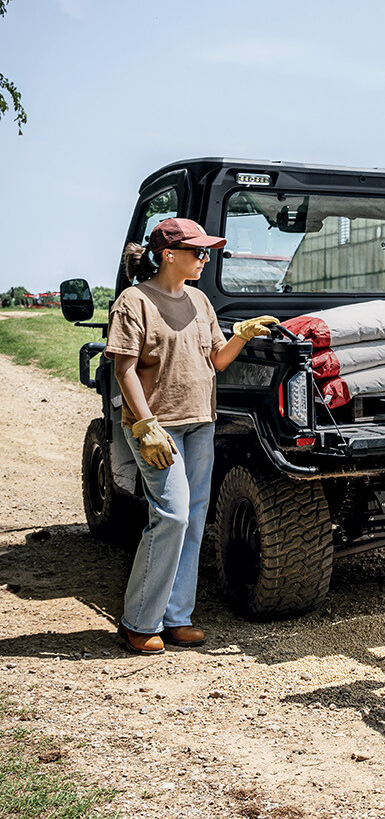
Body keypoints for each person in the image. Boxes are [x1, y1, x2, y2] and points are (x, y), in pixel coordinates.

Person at [105, 218, 278, 653]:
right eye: (197, 252)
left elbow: (217, 361)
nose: (205, 258)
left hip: (201, 421)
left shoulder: (200, 301)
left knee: (195, 520)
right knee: (172, 515)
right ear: (168, 254)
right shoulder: (134, 301)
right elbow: (123, 368)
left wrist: (241, 336)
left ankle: (176, 617)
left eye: (206, 252)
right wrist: (144, 426)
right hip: (156, 428)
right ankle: (138, 621)